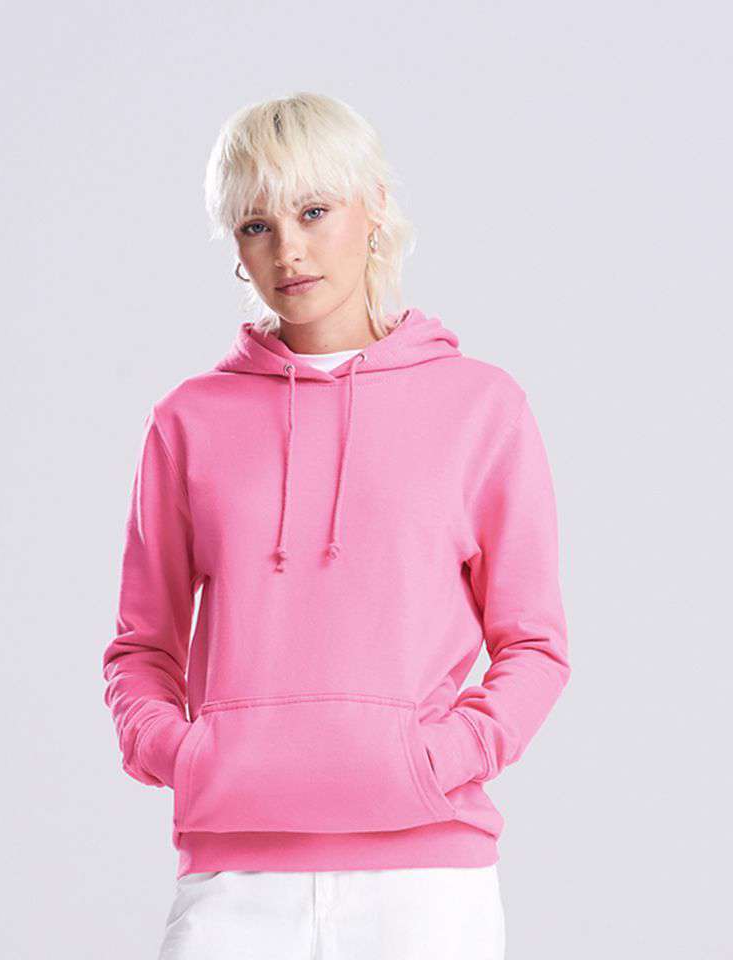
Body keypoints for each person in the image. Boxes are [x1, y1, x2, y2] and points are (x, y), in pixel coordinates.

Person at [101, 91, 571, 960]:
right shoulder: (187, 421)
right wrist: (184, 755)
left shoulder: (480, 407)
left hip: (427, 884)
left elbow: (534, 642)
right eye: (257, 225)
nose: (289, 249)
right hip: (236, 878)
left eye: (314, 211)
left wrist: (441, 757)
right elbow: (142, 647)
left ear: (375, 207)